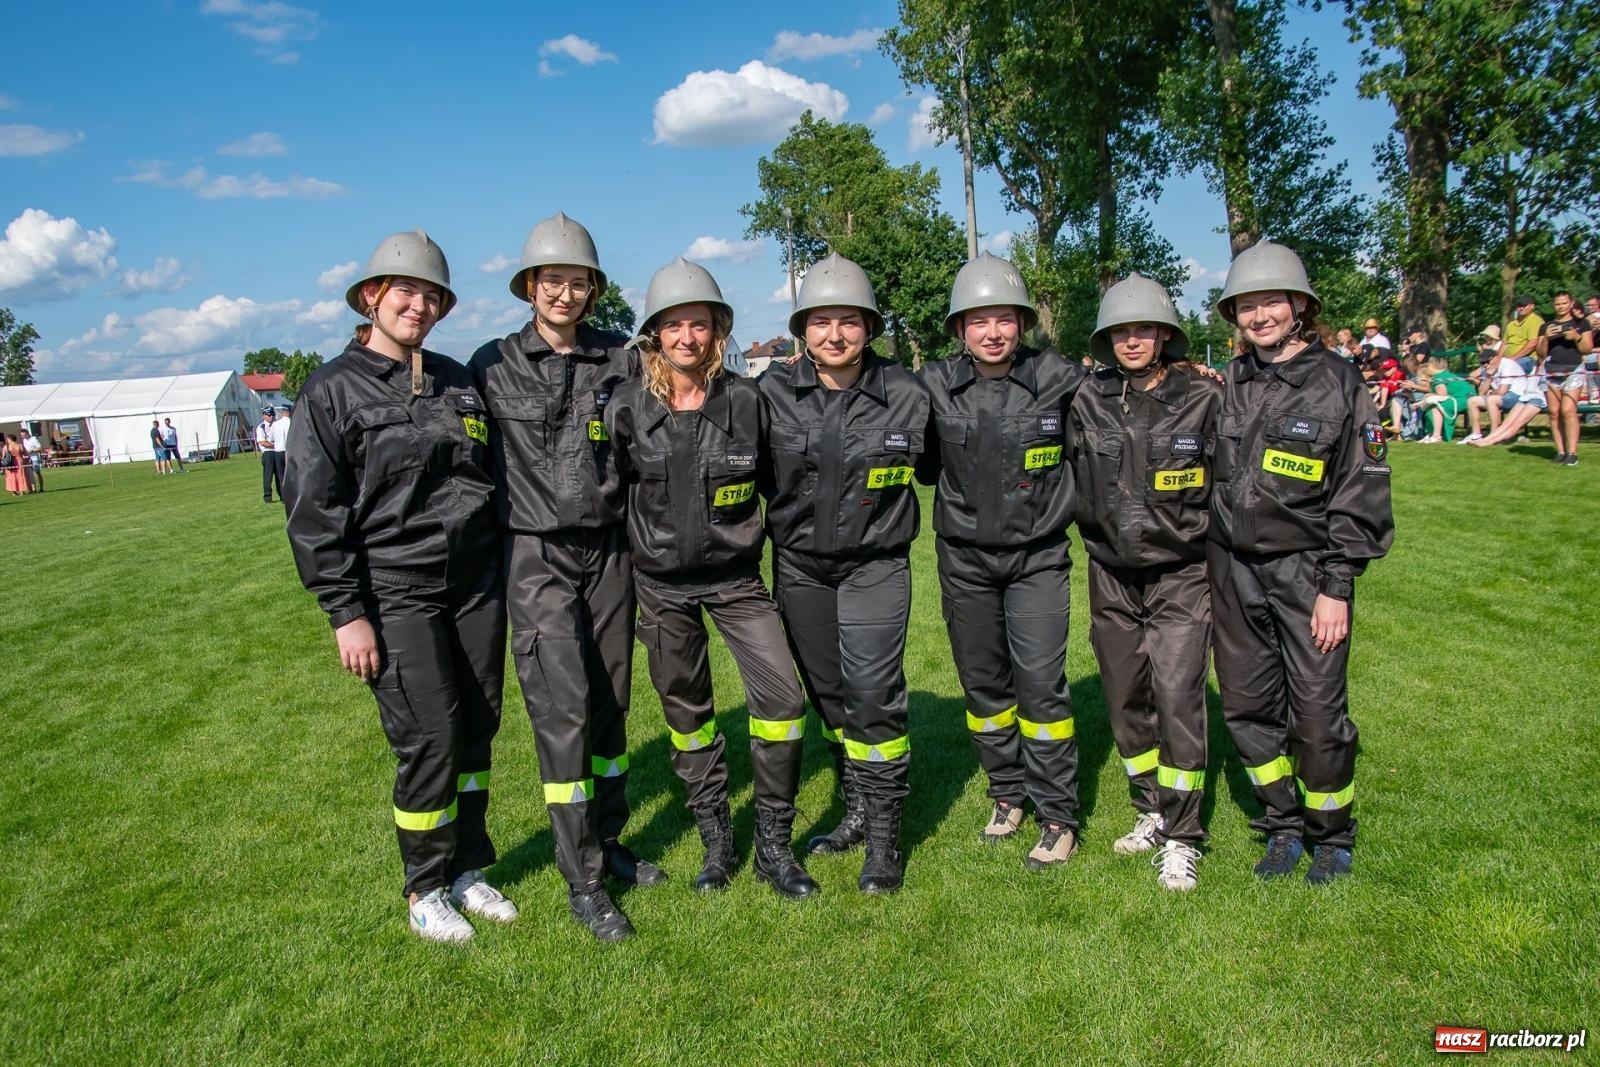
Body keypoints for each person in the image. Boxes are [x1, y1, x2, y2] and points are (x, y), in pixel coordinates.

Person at [284, 229, 515, 943]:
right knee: (430, 736)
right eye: (405, 291)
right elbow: (313, 510)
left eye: (431, 295)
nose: (418, 305)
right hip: (394, 592)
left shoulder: (455, 379)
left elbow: (489, 477)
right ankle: (424, 887)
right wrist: (345, 611)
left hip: (474, 587)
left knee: (476, 729)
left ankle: (468, 867)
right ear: (371, 297)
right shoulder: (330, 390)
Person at [470, 212, 660, 943]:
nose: (564, 293)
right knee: (564, 712)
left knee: (611, 705)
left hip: (610, 551)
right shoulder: (490, 365)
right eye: (552, 280)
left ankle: (608, 840)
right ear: (530, 286)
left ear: (593, 289)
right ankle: (582, 879)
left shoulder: (621, 358)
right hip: (534, 555)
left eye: (578, 282)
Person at [605, 258, 817, 899]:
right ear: (655, 334)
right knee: (689, 716)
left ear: (717, 331)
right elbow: (610, 499)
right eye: (674, 326)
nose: (687, 338)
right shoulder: (628, 408)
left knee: (783, 702)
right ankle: (716, 840)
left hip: (737, 582)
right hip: (661, 588)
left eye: (698, 325)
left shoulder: (747, 402)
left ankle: (774, 844)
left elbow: (780, 489)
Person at [1208, 241, 1394, 884]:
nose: (1259, 316)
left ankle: (1331, 833)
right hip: (1233, 570)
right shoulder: (1229, 381)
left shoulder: (1339, 382)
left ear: (1299, 307)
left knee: (1317, 713)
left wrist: (1336, 585)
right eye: (1247, 306)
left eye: (1271, 303)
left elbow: (1361, 490)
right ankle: (1281, 824)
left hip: (1308, 572)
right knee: (1247, 707)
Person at [760, 253, 930, 894]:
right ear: (803, 329)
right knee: (829, 695)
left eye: (849, 322)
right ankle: (856, 806)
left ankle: (884, 841)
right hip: (800, 568)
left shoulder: (910, 393)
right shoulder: (769, 393)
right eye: (822, 321)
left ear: (870, 328)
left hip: (875, 565)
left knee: (873, 693)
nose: (835, 335)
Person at [916, 254, 1085, 871]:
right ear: (960, 328)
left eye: (1004, 319)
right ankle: (1007, 793)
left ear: (1023, 322)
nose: (992, 333)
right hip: (964, 561)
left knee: (1041, 684)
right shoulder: (933, 384)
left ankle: (1058, 813)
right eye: (978, 321)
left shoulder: (1061, 379)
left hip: (1038, 559)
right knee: (984, 686)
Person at [1066, 275, 1220, 891]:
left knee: (1178, 698)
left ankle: (1183, 835)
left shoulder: (1204, 397)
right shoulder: (1087, 397)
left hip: (1181, 573)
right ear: (1106, 341)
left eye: (1144, 330)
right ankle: (1150, 810)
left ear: (1164, 335)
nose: (1132, 341)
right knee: (1125, 697)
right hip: (1109, 573)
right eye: (1120, 332)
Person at [1537, 291, 1595, 466]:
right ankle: (1561, 452)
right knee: (1554, 413)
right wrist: (1546, 338)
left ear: (1570, 304)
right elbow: (1541, 354)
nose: (1560, 307)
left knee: (1568, 410)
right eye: (1557, 304)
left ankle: (1572, 453)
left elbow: (1587, 349)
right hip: (1551, 372)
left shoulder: (1582, 323)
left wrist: (1577, 337)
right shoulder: (1546, 326)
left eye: (1564, 303)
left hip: (1573, 370)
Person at [1461, 331, 1530, 442]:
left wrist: (1492, 393)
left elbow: (1502, 391)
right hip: (1500, 397)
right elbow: (1481, 393)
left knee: (1491, 399)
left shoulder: (1507, 365)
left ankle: (1494, 435)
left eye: (1487, 362)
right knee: (1472, 401)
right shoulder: (1487, 369)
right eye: (1482, 363)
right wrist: (1488, 377)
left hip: (1517, 395)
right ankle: (1476, 434)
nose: (1485, 365)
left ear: (1495, 358)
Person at [1414, 354, 1477, 443]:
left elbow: (1442, 395)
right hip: (1468, 398)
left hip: (1464, 399)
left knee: (1435, 407)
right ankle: (1431, 434)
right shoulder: (1445, 375)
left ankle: (1436, 436)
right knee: (1432, 407)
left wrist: (1425, 399)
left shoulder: (1438, 378)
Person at [1503, 295, 1544, 371]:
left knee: (1508, 369)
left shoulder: (1535, 321)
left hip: (1528, 359)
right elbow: (1503, 344)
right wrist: (1498, 359)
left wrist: (1514, 358)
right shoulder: (1511, 324)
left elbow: (1533, 343)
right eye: (1519, 306)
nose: (1521, 308)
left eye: (1524, 306)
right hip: (1509, 360)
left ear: (1532, 306)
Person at [256, 406, 283, 502]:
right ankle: (267, 497)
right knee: (268, 476)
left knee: (280, 475)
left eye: (273, 414)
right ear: (264, 416)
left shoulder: (276, 425)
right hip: (268, 453)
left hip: (277, 452)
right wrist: (275, 445)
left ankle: (282, 496)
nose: (271, 416)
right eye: (269, 415)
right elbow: (263, 442)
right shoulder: (261, 427)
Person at [20, 427, 42, 492]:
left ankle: (41, 488)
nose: (23, 437)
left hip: (34, 458)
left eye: (24, 435)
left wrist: (32, 450)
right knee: (30, 474)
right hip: (27, 459)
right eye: (22, 435)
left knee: (37, 473)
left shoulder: (33, 438)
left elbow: (40, 448)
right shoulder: (23, 440)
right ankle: (33, 489)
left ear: (27, 433)